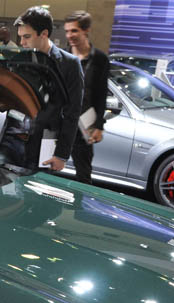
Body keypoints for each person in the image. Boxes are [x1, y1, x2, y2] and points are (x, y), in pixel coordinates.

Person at [14, 6, 83, 172]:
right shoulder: (18, 61)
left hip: (46, 145)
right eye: (20, 37)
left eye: (27, 37)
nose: (22, 43)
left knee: (40, 187)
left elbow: (73, 113)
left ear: (44, 34)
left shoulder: (70, 64)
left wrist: (61, 155)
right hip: (15, 142)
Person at [65, 10, 109, 185]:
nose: (69, 35)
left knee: (83, 175)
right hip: (61, 121)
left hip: (86, 120)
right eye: (67, 31)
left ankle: (80, 203)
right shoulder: (62, 56)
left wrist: (99, 125)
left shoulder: (100, 60)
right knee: (46, 168)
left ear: (86, 30)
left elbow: (101, 94)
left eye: (74, 31)